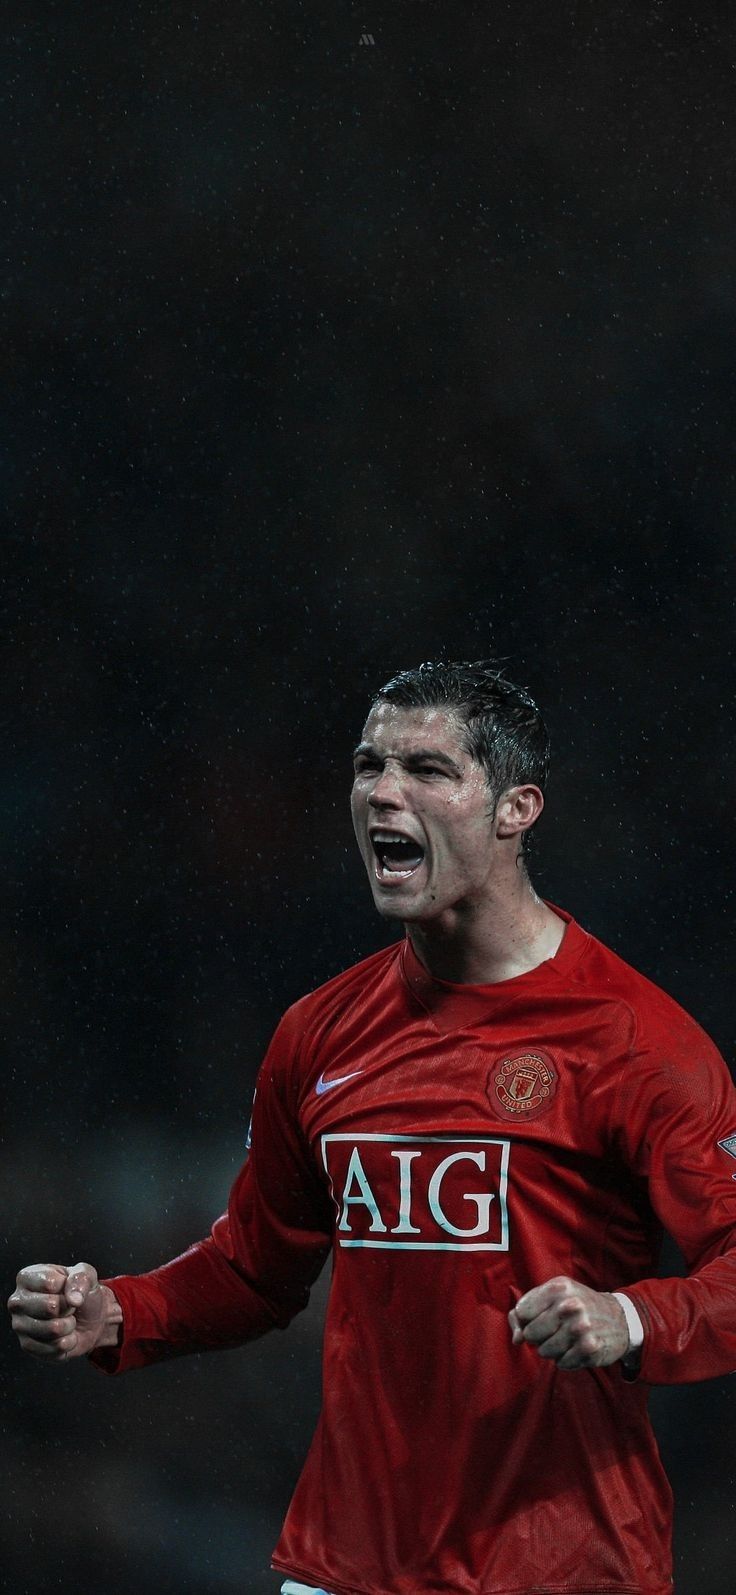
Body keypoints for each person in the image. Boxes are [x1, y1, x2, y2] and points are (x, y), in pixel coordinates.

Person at [9, 659, 736, 1595]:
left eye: (427, 770)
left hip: (565, 1568)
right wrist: (119, 1310)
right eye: (367, 766)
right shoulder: (318, 1033)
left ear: (516, 809)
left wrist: (630, 1314)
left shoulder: (638, 1040)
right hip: (345, 1567)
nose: (384, 792)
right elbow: (254, 1268)